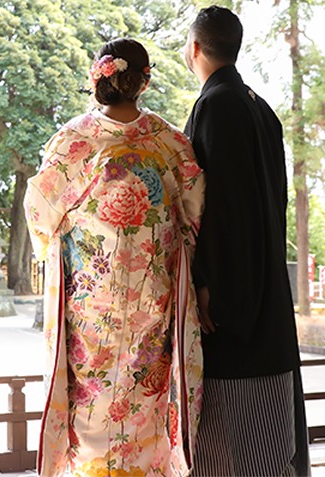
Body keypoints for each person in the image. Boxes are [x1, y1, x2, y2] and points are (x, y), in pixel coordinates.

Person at [24, 38, 205, 477]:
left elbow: (40, 212)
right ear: (144, 80)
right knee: (147, 400)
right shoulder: (169, 142)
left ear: (98, 76)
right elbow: (194, 217)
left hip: (91, 305)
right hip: (152, 300)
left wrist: (53, 250)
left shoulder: (72, 141)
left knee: (91, 401)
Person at [184, 6, 310, 477]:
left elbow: (224, 207)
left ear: (195, 48)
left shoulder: (217, 105)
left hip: (234, 301)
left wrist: (209, 283)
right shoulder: (259, 106)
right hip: (266, 293)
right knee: (268, 452)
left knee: (229, 452)